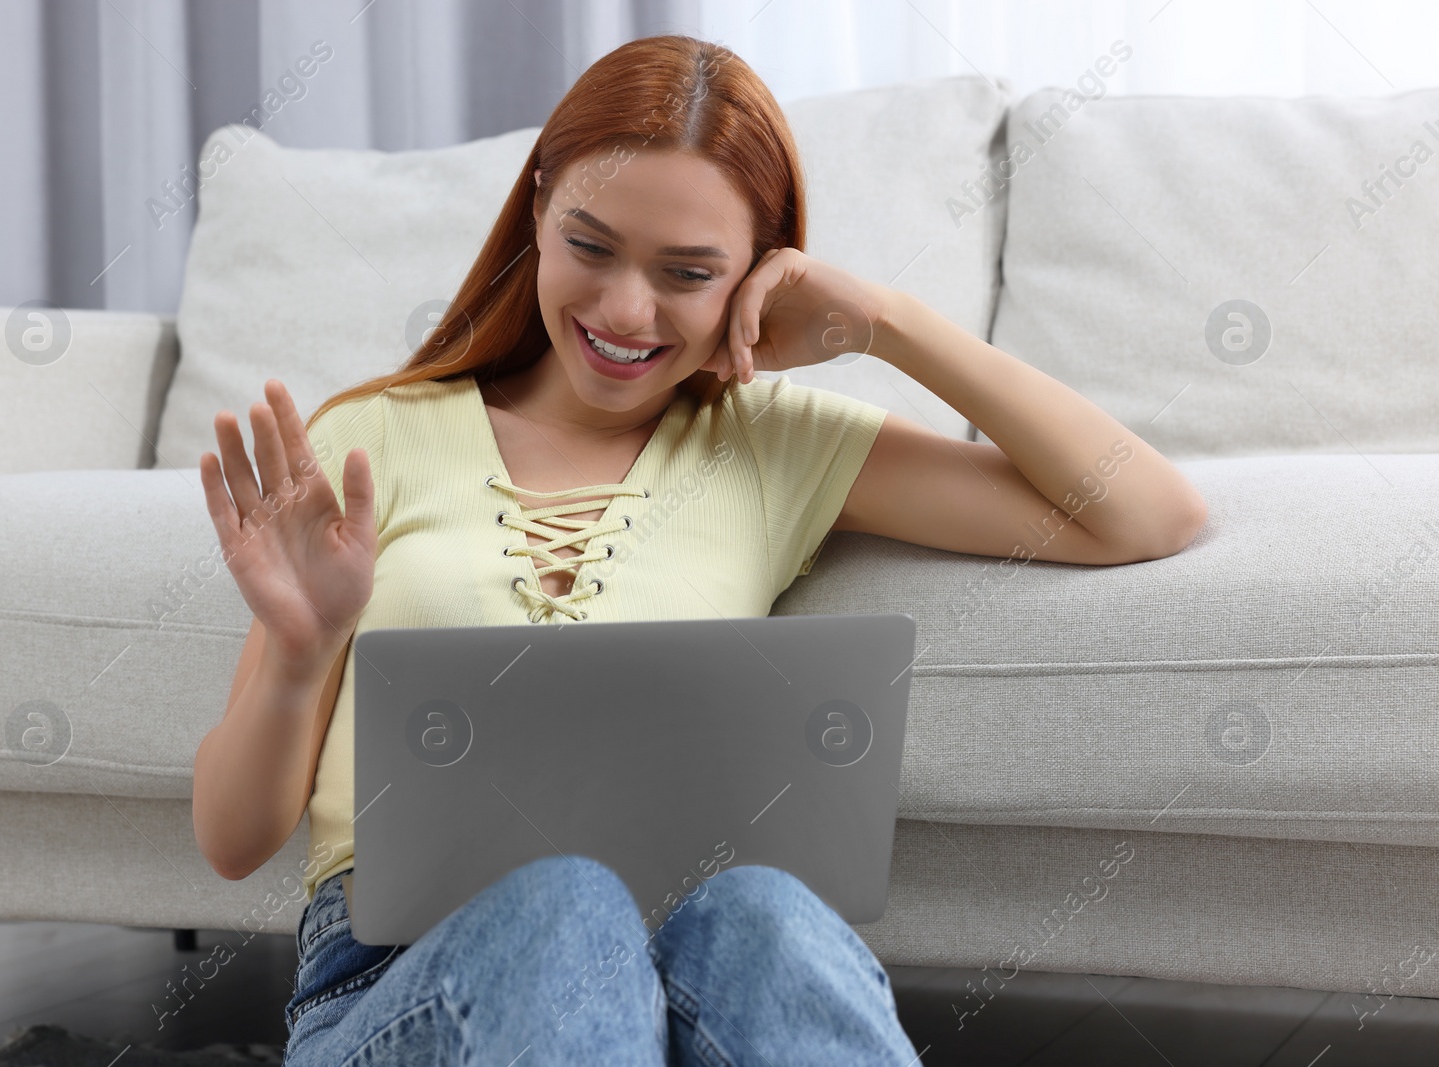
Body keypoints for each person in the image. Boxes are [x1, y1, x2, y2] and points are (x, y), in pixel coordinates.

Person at [191, 32, 1206, 1067]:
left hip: (691, 967)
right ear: (537, 205)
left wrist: (887, 322)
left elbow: (1140, 512)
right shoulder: (372, 439)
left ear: (757, 274)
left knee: (766, 909)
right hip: (388, 981)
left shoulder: (772, 448)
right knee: (566, 900)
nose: (625, 311)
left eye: (687, 272)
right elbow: (232, 842)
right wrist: (301, 650)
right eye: (589, 246)